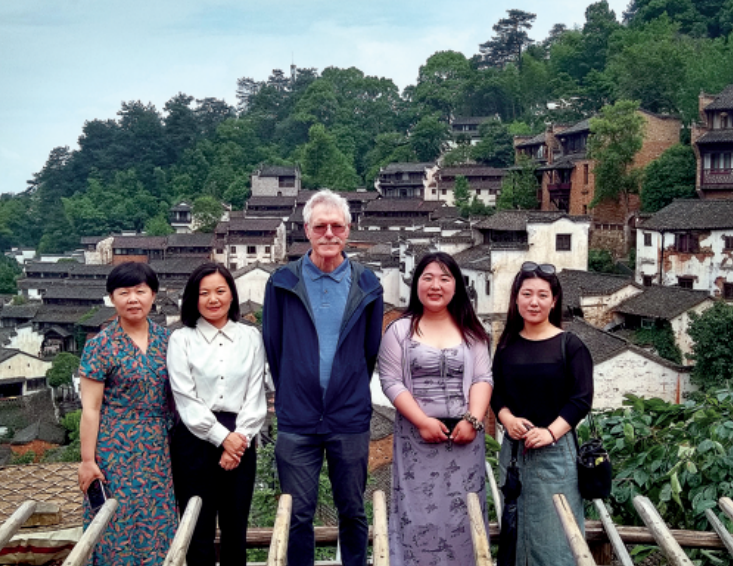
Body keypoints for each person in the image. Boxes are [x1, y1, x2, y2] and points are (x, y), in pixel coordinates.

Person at [262, 189, 384, 566]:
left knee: (353, 510)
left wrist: (347, 387)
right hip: (298, 417)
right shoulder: (282, 282)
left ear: (348, 229)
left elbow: (369, 351)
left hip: (348, 416)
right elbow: (274, 347)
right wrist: (294, 390)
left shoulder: (367, 284)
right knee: (297, 513)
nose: (329, 233)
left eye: (336, 226)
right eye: (320, 226)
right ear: (306, 230)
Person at [378, 252, 492, 566]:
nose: (435, 285)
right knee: (417, 514)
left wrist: (473, 420)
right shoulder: (399, 331)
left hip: (465, 437)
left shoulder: (473, 332)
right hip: (416, 437)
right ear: (416, 284)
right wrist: (422, 421)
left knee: (464, 513)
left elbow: (483, 378)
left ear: (457, 286)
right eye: (427, 278)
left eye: (444, 278)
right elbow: (391, 380)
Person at [491, 262, 593, 566]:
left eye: (542, 295)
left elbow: (581, 399)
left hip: (556, 454)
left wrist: (550, 432)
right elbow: (496, 392)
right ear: (516, 298)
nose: (533, 302)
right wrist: (507, 418)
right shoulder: (506, 346)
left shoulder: (570, 345)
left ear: (554, 300)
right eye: (527, 294)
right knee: (517, 536)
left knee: (555, 542)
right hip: (514, 452)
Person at [77, 262, 177, 566]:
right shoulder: (100, 346)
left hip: (159, 448)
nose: (133, 299)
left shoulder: (169, 341)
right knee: (114, 521)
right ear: (112, 298)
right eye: (124, 292)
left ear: (153, 295)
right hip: (114, 448)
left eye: (140, 291)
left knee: (158, 520)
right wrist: (87, 461)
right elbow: (91, 408)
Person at [168, 263, 267, 566]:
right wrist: (223, 439)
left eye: (220, 291)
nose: (213, 299)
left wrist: (239, 439)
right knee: (197, 527)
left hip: (240, 435)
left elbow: (255, 394)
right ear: (193, 299)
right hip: (194, 438)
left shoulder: (251, 337)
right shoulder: (181, 339)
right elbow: (185, 398)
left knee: (235, 526)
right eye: (204, 293)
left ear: (232, 295)